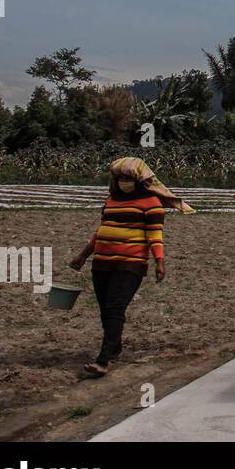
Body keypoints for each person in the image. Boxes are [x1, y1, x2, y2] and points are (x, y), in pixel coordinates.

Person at [68, 157, 195, 376]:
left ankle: (103, 360)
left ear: (138, 180)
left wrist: (159, 262)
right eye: (120, 178)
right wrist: (83, 256)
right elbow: (101, 231)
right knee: (105, 309)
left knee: (115, 308)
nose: (123, 182)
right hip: (102, 263)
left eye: (128, 178)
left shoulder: (151, 203)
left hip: (131, 264)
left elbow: (154, 234)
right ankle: (114, 346)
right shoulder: (111, 201)